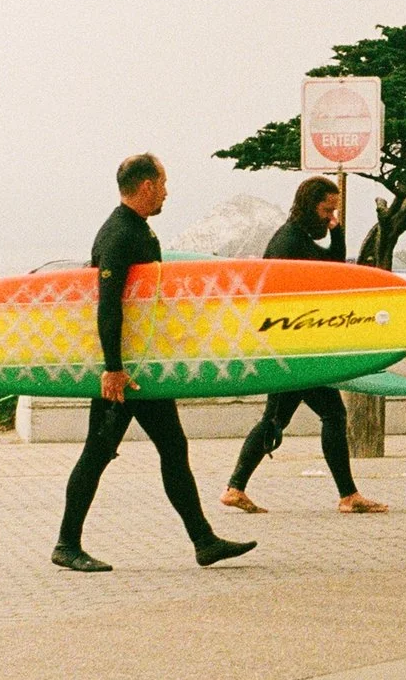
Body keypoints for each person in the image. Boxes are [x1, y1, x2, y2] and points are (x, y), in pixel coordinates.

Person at [51, 154, 257, 572]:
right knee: (99, 451)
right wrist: (112, 367)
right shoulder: (119, 234)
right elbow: (108, 305)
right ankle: (66, 545)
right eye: (163, 183)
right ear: (146, 186)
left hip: (141, 366)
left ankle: (204, 541)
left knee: (170, 448)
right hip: (124, 370)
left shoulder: (136, 230)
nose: (167, 191)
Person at [220, 176, 387, 516]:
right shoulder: (288, 243)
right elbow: (320, 277)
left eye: (334, 211)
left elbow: (331, 269)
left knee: (277, 418)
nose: (330, 217)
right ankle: (348, 495)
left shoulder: (296, 239)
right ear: (310, 206)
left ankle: (235, 487)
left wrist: (338, 232)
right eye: (327, 210)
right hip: (288, 352)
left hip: (292, 349)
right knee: (331, 413)